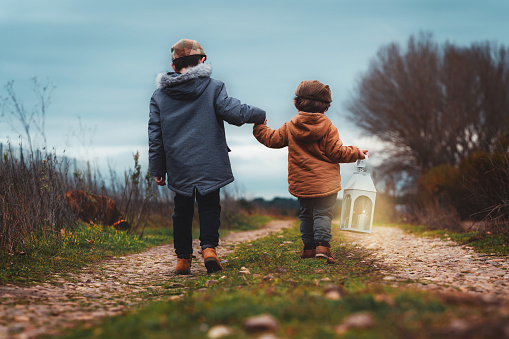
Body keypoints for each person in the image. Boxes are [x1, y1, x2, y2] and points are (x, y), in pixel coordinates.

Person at [148, 39, 266, 275]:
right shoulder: (214, 87)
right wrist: (260, 114)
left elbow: (155, 135)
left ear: (174, 66)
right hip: (209, 160)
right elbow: (233, 112)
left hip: (178, 162)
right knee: (210, 206)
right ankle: (209, 249)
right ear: (202, 60)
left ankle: (183, 259)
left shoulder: (160, 96)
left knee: (181, 210)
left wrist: (157, 168)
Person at [253, 80, 368, 262]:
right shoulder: (328, 127)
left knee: (306, 214)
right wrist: (357, 153)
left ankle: (308, 248)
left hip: (302, 182)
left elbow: (272, 139)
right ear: (325, 106)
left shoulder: (290, 126)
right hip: (326, 183)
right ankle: (323, 247)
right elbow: (336, 152)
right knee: (323, 213)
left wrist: (260, 127)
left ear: (297, 102)